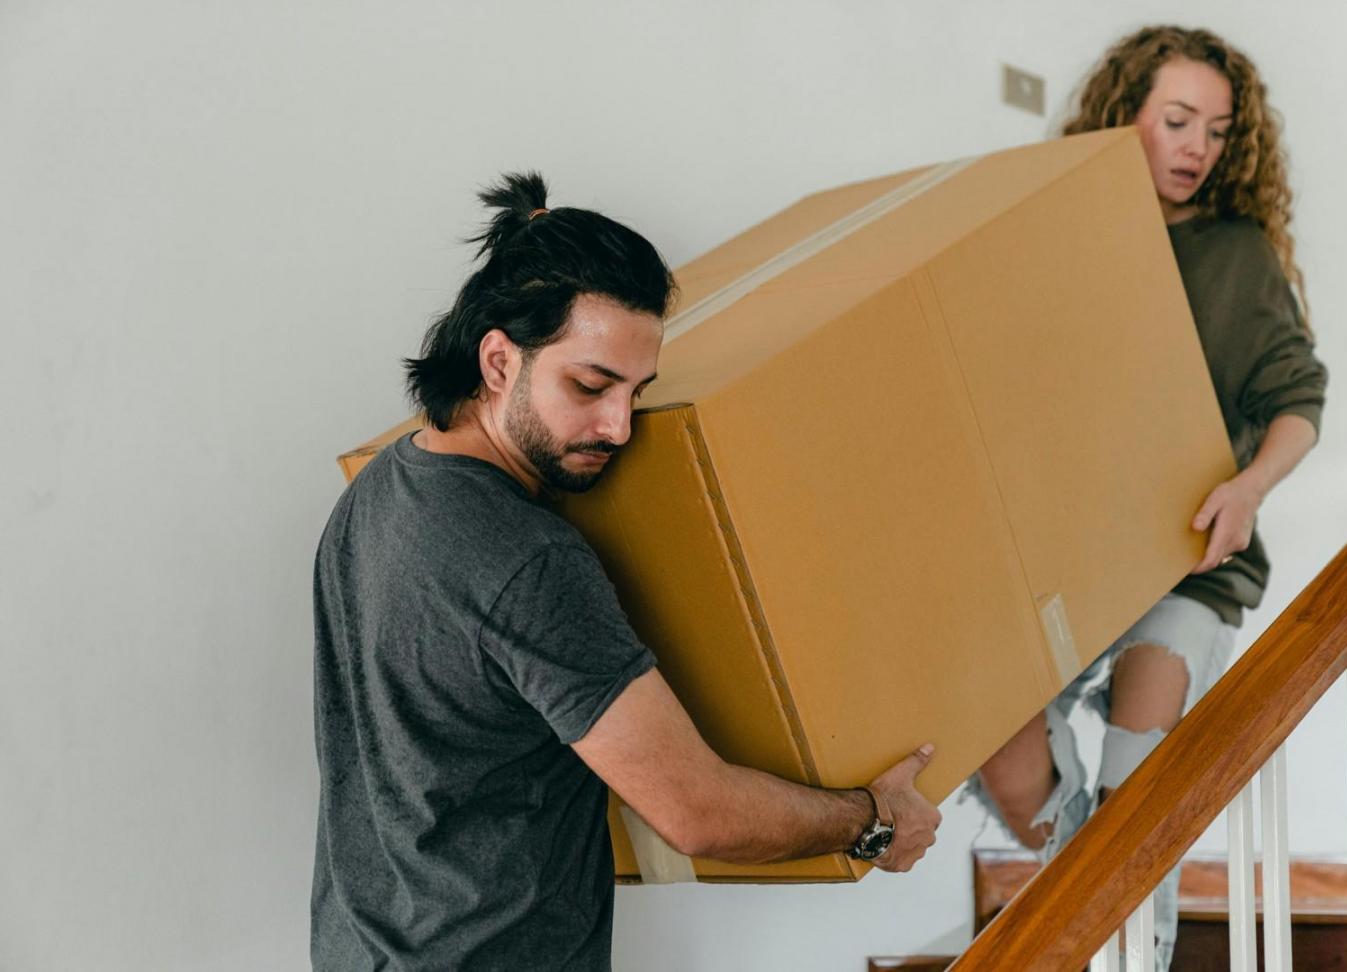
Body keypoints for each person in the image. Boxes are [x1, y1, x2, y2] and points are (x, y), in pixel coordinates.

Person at [311, 172, 942, 971]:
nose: (617, 427)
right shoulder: (527, 559)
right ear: (499, 361)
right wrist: (871, 821)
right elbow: (698, 812)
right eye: (590, 384)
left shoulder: (376, 490)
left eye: (637, 393)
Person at [963, 25, 1328, 969]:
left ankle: (1125, 947)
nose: (1198, 148)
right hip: (1064, 556)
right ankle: (1084, 907)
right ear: (1124, 115)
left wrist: (1249, 488)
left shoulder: (1237, 253)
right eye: (1176, 121)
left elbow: (1297, 401)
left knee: (1139, 778)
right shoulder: (1052, 235)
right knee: (999, 751)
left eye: (1216, 130)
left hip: (1189, 559)